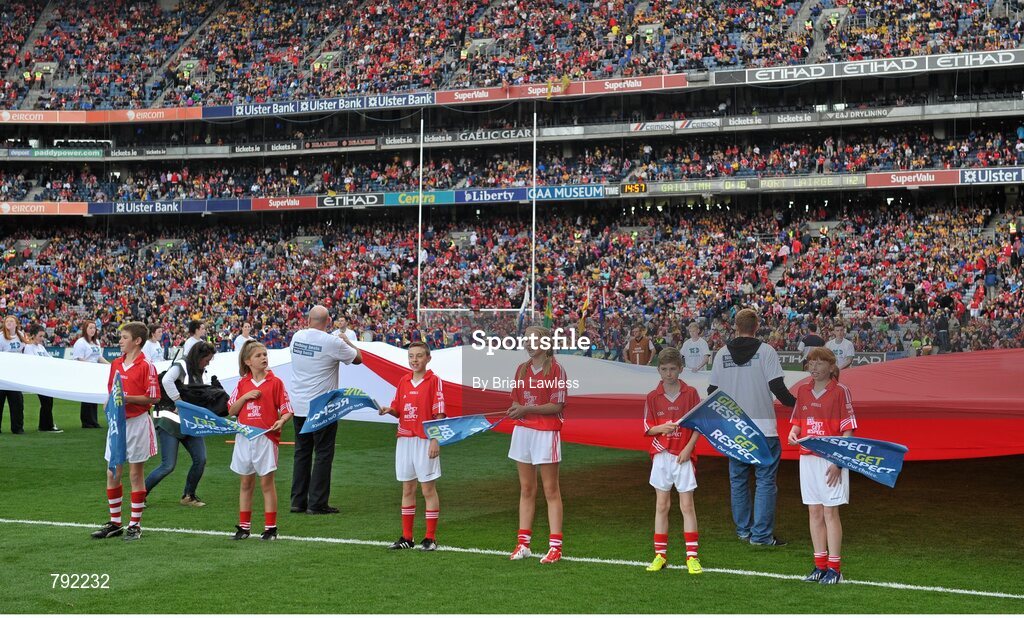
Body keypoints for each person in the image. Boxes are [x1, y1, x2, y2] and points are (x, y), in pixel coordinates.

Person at [708, 308, 796, 546]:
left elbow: (711, 393)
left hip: (734, 427)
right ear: (756, 327)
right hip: (763, 427)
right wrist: (800, 405)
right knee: (765, 480)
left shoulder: (721, 353)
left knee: (738, 480)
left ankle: (743, 530)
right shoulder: (766, 351)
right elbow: (778, 388)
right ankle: (761, 536)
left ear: (735, 326)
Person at [787, 347, 857, 585]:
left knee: (830, 512)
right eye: (810, 363)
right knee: (814, 511)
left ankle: (835, 569)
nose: (813, 367)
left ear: (830, 365)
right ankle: (819, 566)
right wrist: (793, 433)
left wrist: (839, 461)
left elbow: (848, 430)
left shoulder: (840, 391)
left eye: (818, 363)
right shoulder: (803, 391)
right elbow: (797, 423)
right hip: (807, 457)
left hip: (830, 459)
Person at [289, 305, 362, 514]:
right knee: (323, 453)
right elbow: (358, 359)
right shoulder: (332, 342)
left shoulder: (297, 336)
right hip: (322, 407)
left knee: (301, 452)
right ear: (328, 321)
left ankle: (297, 501)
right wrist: (348, 342)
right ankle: (317, 502)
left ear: (308, 319)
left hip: (299, 404)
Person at [91, 322, 160, 541]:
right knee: (112, 471)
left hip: (138, 422)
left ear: (137, 341)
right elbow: (112, 390)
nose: (120, 341)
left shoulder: (147, 365)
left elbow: (154, 397)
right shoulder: (116, 364)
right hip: (117, 424)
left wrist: (127, 399)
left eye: (124, 337)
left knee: (135, 473)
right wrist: (110, 402)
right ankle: (114, 523)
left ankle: (135, 525)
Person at [507, 325, 568, 564]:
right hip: (523, 431)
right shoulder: (521, 369)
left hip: (546, 432)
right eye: (527, 340)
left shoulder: (556, 369)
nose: (529, 344)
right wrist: (516, 411)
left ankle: (555, 547)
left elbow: (557, 406)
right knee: (526, 489)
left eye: (534, 340)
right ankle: (523, 544)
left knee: (551, 489)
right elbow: (515, 401)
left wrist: (526, 409)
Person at [378, 342, 445, 551]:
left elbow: (439, 414)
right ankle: (407, 537)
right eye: (411, 356)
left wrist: (435, 439)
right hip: (405, 439)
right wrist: (389, 410)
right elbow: (398, 408)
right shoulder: (403, 381)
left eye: (419, 356)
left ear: (428, 358)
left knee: (427, 489)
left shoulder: (434, 381)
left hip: (424, 440)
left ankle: (430, 538)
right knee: (407, 488)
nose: (414, 360)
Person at [642, 348, 702, 574]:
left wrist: (688, 448)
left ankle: (692, 557)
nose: (668, 373)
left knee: (687, 506)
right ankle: (660, 555)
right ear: (658, 370)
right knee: (662, 505)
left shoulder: (691, 393)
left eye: (673, 369)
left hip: (682, 456)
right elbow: (647, 429)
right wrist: (661, 428)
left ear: (681, 369)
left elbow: (698, 425)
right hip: (661, 455)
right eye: (664, 369)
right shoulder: (652, 396)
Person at [229, 340, 293, 541]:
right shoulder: (242, 384)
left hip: (265, 438)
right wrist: (245, 397)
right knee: (246, 482)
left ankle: (270, 528)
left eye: (265, 354)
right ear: (248, 361)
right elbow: (231, 410)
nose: (264, 358)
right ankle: (244, 528)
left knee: (267, 483)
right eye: (258, 355)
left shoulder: (276, 382)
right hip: (244, 437)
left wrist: (281, 421)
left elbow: (287, 410)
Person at [146, 341, 216, 507]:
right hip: (169, 420)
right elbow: (167, 381)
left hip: (188, 421)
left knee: (201, 458)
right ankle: (140, 494)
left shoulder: (198, 371)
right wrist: (179, 402)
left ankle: (188, 495)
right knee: (168, 465)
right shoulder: (182, 365)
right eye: (207, 359)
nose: (208, 363)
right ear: (199, 357)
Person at [22, 324, 61, 433]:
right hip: (38, 379)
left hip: (45, 378)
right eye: (40, 336)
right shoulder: (29, 347)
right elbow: (31, 363)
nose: (42, 338)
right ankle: (48, 426)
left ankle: (45, 425)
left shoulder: (41, 347)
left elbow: (49, 359)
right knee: (46, 402)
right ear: (33, 336)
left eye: (43, 336)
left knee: (48, 402)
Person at [73, 320, 108, 429]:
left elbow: (99, 357)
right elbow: (79, 358)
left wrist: (110, 365)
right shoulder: (81, 342)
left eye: (94, 328)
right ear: (85, 329)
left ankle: (94, 421)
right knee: (87, 397)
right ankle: (87, 422)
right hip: (86, 372)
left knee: (94, 396)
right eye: (90, 328)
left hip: (95, 372)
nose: (92, 330)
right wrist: (90, 366)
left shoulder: (96, 342)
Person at [0, 315, 29, 434]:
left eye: (12, 321)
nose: (9, 323)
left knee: (17, 403)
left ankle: (17, 428)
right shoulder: (1, 337)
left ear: (16, 324)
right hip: (2, 375)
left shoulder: (20, 335)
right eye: (7, 321)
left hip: (15, 376)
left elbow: (25, 351)